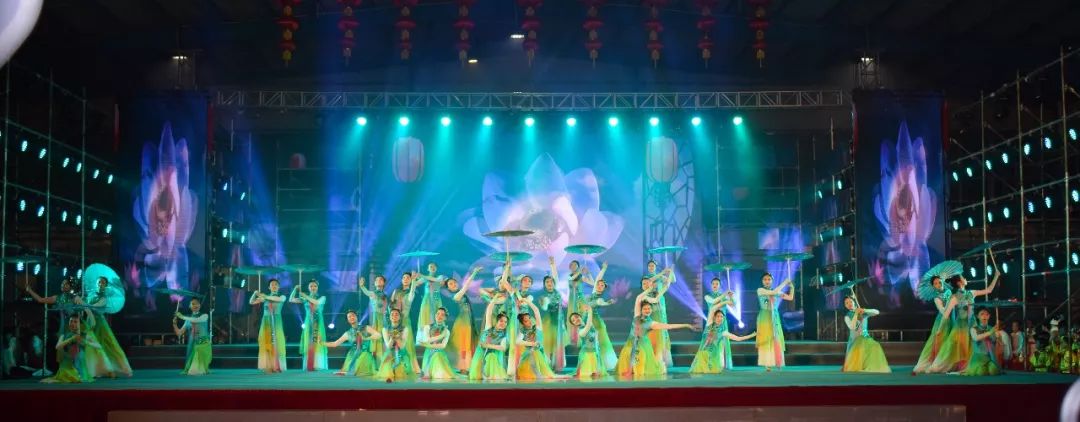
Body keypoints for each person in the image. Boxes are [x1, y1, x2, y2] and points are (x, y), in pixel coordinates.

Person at [930, 255, 1000, 373]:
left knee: (973, 348)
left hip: (973, 325)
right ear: (959, 282)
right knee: (958, 350)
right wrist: (939, 330)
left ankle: (972, 365)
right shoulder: (954, 297)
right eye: (963, 277)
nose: (965, 279)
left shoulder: (972, 292)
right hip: (961, 327)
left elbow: (989, 290)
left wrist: (996, 276)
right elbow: (945, 315)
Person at [615, 285, 695, 379]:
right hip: (630, 342)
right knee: (628, 355)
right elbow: (638, 298)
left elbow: (669, 326)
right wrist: (649, 289)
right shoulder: (637, 316)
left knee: (640, 361)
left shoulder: (652, 324)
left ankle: (633, 371)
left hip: (642, 346)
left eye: (649, 309)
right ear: (641, 310)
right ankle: (630, 370)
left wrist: (685, 325)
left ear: (652, 310)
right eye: (645, 309)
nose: (647, 311)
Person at [690, 300, 755, 374]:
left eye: (721, 317)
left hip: (713, 358)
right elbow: (713, 308)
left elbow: (738, 338)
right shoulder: (709, 324)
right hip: (703, 357)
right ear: (714, 317)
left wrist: (751, 335)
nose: (720, 318)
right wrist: (726, 302)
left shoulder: (723, 332)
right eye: (718, 316)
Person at [85, 276, 133, 377]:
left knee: (107, 344)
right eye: (99, 282)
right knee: (90, 344)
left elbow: (97, 306)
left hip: (100, 323)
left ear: (106, 285)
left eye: (103, 283)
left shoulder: (104, 297)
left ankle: (113, 368)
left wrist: (85, 305)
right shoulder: (90, 294)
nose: (100, 284)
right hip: (89, 321)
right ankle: (94, 369)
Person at [42, 313, 100, 383]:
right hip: (67, 365)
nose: (72, 323)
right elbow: (58, 346)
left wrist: (85, 342)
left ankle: (78, 373)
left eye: (75, 322)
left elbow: (98, 346)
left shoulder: (83, 335)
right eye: (71, 321)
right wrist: (71, 339)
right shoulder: (64, 335)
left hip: (79, 365)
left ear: (79, 324)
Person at [912, 275, 953, 373]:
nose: (938, 284)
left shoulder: (949, 291)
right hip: (943, 319)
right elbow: (943, 311)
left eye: (939, 282)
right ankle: (936, 364)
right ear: (933, 286)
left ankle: (949, 363)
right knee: (939, 340)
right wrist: (950, 304)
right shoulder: (936, 298)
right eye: (936, 283)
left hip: (953, 317)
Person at [840, 296, 891, 373]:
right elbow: (852, 327)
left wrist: (864, 310)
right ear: (845, 306)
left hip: (865, 338)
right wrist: (856, 314)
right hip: (854, 341)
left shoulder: (863, 313)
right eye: (846, 303)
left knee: (875, 346)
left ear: (854, 302)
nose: (849, 304)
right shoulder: (847, 316)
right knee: (853, 362)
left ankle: (870, 365)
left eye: (850, 301)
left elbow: (876, 312)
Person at [446, 267, 481, 373]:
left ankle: (467, 366)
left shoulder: (462, 293)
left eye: (454, 282)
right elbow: (466, 286)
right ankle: (463, 366)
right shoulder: (456, 296)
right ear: (448, 289)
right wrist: (474, 273)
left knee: (468, 344)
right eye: (450, 284)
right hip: (462, 323)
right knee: (463, 345)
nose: (453, 284)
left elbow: (466, 286)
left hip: (469, 321)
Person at [756, 273, 793, 370]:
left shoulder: (776, 291)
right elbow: (774, 292)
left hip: (775, 316)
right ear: (762, 281)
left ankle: (777, 361)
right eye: (765, 279)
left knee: (776, 338)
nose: (767, 281)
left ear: (772, 281)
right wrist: (785, 282)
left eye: (769, 279)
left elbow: (790, 297)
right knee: (766, 338)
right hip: (765, 316)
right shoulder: (760, 290)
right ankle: (767, 363)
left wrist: (791, 287)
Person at [324, 310, 378, 377]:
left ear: (356, 317)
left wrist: (366, 338)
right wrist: (321, 343)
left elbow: (378, 335)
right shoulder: (348, 333)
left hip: (364, 354)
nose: (352, 317)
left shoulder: (366, 328)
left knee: (361, 369)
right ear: (347, 320)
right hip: (352, 355)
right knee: (350, 371)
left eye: (353, 315)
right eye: (349, 317)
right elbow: (335, 344)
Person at [516, 299, 560, 380]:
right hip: (528, 354)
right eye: (526, 321)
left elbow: (536, 311)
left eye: (529, 318)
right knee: (532, 354)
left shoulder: (537, 327)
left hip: (538, 354)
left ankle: (538, 374)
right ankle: (536, 375)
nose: (529, 321)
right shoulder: (523, 331)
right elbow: (518, 341)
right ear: (523, 323)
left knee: (535, 353)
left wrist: (527, 301)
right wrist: (531, 344)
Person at [249, 278, 287, 373]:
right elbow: (251, 302)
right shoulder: (264, 298)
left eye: (276, 284)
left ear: (279, 287)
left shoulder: (282, 296)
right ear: (269, 287)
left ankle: (277, 365)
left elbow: (277, 299)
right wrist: (255, 293)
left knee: (277, 342)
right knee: (266, 342)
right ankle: (268, 365)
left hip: (276, 321)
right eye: (272, 285)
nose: (274, 286)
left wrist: (264, 296)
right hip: (266, 322)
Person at [469, 297, 510, 381]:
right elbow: (489, 312)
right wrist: (493, 301)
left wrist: (488, 345)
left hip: (492, 355)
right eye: (501, 321)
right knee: (476, 375)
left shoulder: (504, 335)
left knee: (491, 357)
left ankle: (491, 375)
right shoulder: (489, 328)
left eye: (506, 322)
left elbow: (503, 348)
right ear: (497, 321)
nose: (503, 323)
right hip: (481, 353)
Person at [290, 280, 327, 371]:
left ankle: (318, 364)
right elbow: (291, 299)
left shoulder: (322, 297)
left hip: (318, 322)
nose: (313, 288)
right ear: (308, 288)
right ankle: (309, 364)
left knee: (318, 341)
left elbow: (316, 302)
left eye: (315, 286)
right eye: (311, 286)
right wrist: (295, 289)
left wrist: (305, 296)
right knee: (308, 341)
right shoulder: (305, 299)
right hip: (308, 322)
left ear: (317, 287)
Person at [643, 261, 675, 368]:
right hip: (650, 303)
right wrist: (662, 272)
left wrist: (671, 271)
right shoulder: (647, 277)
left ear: (656, 267)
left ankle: (662, 355)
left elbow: (673, 280)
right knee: (652, 326)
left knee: (662, 325)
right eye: (649, 265)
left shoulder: (660, 277)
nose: (651, 267)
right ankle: (651, 352)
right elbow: (651, 280)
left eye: (653, 265)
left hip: (660, 302)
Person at [389, 272, 422, 373]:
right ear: (401, 280)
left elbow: (412, 293)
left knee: (406, 343)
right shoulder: (396, 291)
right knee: (394, 342)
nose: (406, 279)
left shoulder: (410, 293)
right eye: (404, 277)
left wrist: (414, 281)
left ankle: (408, 367)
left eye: (408, 278)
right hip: (394, 321)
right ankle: (395, 365)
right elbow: (390, 305)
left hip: (405, 321)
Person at [704, 278, 737, 370]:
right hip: (713, 322)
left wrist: (731, 296)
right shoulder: (707, 296)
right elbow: (714, 301)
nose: (715, 285)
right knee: (712, 342)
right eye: (713, 284)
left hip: (723, 322)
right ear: (711, 285)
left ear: (719, 286)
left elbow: (733, 304)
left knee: (723, 342)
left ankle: (722, 363)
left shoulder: (724, 296)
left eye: (717, 284)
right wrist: (725, 294)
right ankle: (711, 363)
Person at [375, 308, 417, 382]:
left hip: (401, 353)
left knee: (401, 372)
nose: (394, 316)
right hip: (390, 353)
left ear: (400, 317)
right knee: (388, 370)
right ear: (389, 317)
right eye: (392, 314)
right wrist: (392, 338)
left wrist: (397, 337)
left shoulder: (405, 329)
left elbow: (402, 346)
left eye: (396, 314)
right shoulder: (385, 329)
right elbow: (388, 346)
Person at [172, 297, 212, 375]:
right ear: (190, 306)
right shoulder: (188, 320)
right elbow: (179, 333)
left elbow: (197, 320)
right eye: (193, 304)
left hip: (203, 344)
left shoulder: (205, 316)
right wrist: (174, 324)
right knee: (193, 370)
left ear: (200, 305)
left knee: (199, 370)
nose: (195, 305)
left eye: (197, 303)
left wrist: (182, 317)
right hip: (193, 343)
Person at [586, 278, 618, 370]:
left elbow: (601, 303)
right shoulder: (591, 295)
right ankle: (592, 364)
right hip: (588, 321)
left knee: (601, 343)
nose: (599, 286)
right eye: (598, 284)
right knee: (589, 343)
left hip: (596, 322)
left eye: (602, 285)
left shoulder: (600, 298)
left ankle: (603, 364)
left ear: (604, 288)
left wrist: (607, 303)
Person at [418, 307, 459, 380]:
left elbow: (443, 345)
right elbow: (427, 340)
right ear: (435, 315)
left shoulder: (446, 331)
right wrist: (441, 336)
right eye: (438, 314)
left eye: (442, 315)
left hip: (439, 353)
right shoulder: (427, 327)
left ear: (445, 318)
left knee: (437, 355)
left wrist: (429, 345)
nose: (439, 316)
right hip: (429, 353)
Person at [539, 271, 567, 372]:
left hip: (558, 321)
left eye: (551, 282)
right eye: (547, 282)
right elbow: (544, 308)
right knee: (547, 344)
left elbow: (561, 309)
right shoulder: (543, 295)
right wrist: (545, 303)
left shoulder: (558, 294)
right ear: (544, 284)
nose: (549, 283)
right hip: (548, 322)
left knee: (557, 343)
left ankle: (557, 365)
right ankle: (547, 365)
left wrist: (562, 324)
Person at [962, 308, 1004, 376]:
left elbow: (999, 343)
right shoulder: (974, 329)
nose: (984, 316)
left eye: (986, 314)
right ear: (977, 316)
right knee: (981, 372)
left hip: (989, 358)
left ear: (989, 316)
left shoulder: (992, 329)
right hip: (978, 358)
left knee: (993, 371)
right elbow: (976, 338)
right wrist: (990, 333)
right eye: (982, 314)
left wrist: (999, 337)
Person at [358, 275, 390, 360]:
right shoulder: (373, 293)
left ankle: (384, 355)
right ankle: (375, 357)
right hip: (376, 318)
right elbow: (366, 292)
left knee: (384, 336)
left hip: (384, 318)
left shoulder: (385, 295)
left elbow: (387, 307)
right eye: (377, 280)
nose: (378, 281)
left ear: (384, 283)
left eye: (381, 280)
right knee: (376, 335)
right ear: (375, 283)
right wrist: (362, 286)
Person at [571, 307, 605, 379]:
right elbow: (588, 325)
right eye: (573, 320)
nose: (576, 320)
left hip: (595, 353)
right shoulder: (581, 332)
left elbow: (594, 332)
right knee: (587, 377)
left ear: (580, 316)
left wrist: (586, 311)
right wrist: (590, 312)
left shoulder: (586, 323)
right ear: (574, 324)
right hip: (587, 356)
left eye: (576, 317)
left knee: (597, 377)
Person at [414, 262, 447, 330]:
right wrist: (415, 278)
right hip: (427, 299)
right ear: (428, 269)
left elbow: (436, 280)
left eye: (434, 266)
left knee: (437, 314)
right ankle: (425, 332)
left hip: (436, 298)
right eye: (431, 266)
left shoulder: (440, 276)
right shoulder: (424, 278)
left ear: (436, 268)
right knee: (425, 314)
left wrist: (422, 275)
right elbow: (415, 284)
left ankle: (437, 331)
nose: (433, 268)